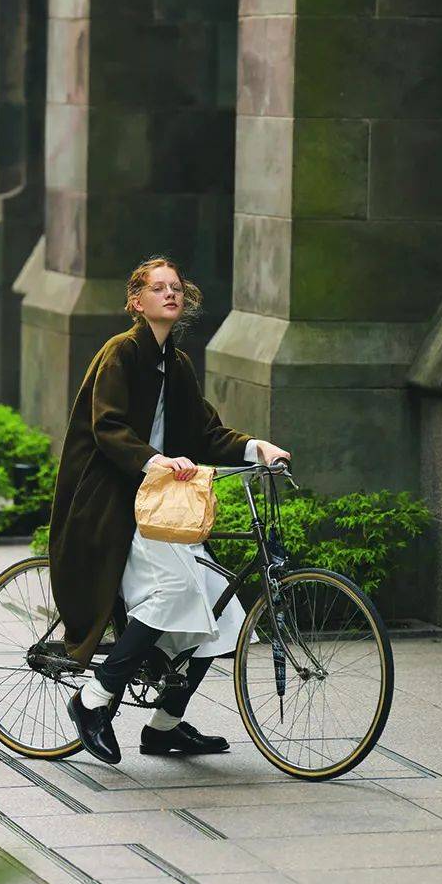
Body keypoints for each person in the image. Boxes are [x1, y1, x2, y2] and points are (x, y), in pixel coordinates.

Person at [48, 256, 291, 765]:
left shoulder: (175, 363)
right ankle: (92, 702)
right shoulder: (120, 353)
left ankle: (164, 727)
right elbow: (108, 428)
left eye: (176, 288)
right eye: (158, 288)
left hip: (160, 502)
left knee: (221, 608)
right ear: (137, 301)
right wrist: (157, 460)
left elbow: (205, 432)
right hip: (113, 500)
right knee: (176, 590)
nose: (170, 295)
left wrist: (256, 448)